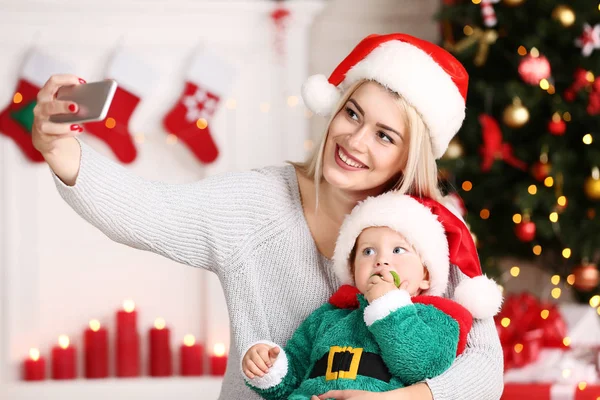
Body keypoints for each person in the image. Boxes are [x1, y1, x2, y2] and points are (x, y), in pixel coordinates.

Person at [32, 33, 504, 399]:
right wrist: (59, 147)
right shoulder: (258, 204)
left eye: (385, 136)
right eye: (353, 114)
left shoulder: (431, 235)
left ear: (408, 155)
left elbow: (486, 368)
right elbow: (147, 212)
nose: (355, 141)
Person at [241, 193, 502, 400]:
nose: (382, 260)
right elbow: (293, 373)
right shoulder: (328, 317)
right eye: (367, 252)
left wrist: (388, 306)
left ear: (426, 274)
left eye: (399, 250)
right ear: (353, 271)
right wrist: (269, 367)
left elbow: (423, 366)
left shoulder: (436, 318)